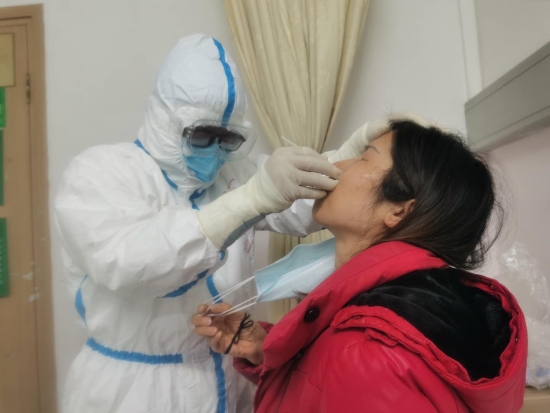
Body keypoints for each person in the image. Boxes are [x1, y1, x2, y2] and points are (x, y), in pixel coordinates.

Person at [55, 34, 388, 413]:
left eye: (226, 138)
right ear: (165, 119)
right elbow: (130, 263)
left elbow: (305, 205)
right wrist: (247, 201)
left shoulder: (231, 173)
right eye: (202, 134)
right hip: (132, 389)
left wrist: (352, 153)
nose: (215, 150)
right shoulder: (101, 173)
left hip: (227, 371)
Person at [192, 118, 528, 413]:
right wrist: (263, 349)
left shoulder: (366, 350)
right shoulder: (417, 307)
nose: (339, 165)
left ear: (398, 210)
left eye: (365, 157)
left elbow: (360, 373)